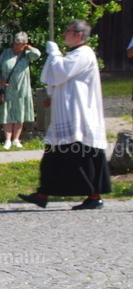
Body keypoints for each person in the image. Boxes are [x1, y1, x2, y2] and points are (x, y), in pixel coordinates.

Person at [20, 20, 110, 210]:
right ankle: (43, 193)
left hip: (78, 115)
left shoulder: (84, 54)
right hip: (65, 113)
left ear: (78, 34)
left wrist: (54, 53)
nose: (63, 34)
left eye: (67, 31)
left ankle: (94, 196)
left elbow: (61, 71)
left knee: (79, 157)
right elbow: (52, 77)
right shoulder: (74, 54)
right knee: (53, 156)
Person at [0, 32, 41, 149]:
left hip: (22, 89)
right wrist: (0, 79)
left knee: (20, 113)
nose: (16, 45)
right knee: (7, 113)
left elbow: (37, 54)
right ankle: (7, 140)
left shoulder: (26, 54)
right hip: (8, 88)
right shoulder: (6, 53)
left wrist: (28, 47)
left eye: (19, 43)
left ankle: (16, 139)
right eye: (15, 43)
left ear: (24, 44)